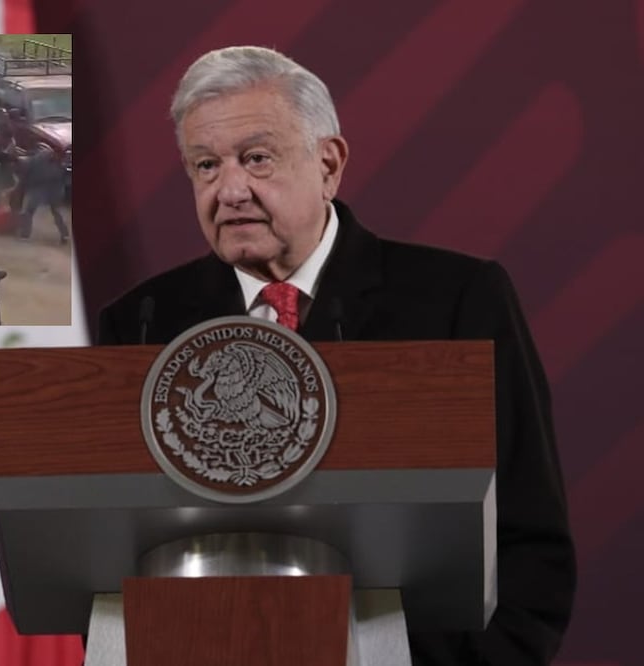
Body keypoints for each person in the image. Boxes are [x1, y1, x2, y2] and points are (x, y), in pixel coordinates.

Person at [95, 46, 575, 665]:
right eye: (206, 165)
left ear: (328, 164)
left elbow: (529, 538)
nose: (230, 190)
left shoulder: (457, 301)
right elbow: (104, 561)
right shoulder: (143, 323)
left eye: (257, 158)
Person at [17, 143, 70, 244]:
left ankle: (64, 235)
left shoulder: (64, 163)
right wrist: (24, 183)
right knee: (28, 210)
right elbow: (28, 167)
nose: (58, 158)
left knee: (57, 212)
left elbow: (67, 179)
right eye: (57, 155)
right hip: (39, 186)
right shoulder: (41, 157)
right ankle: (24, 234)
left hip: (55, 188)